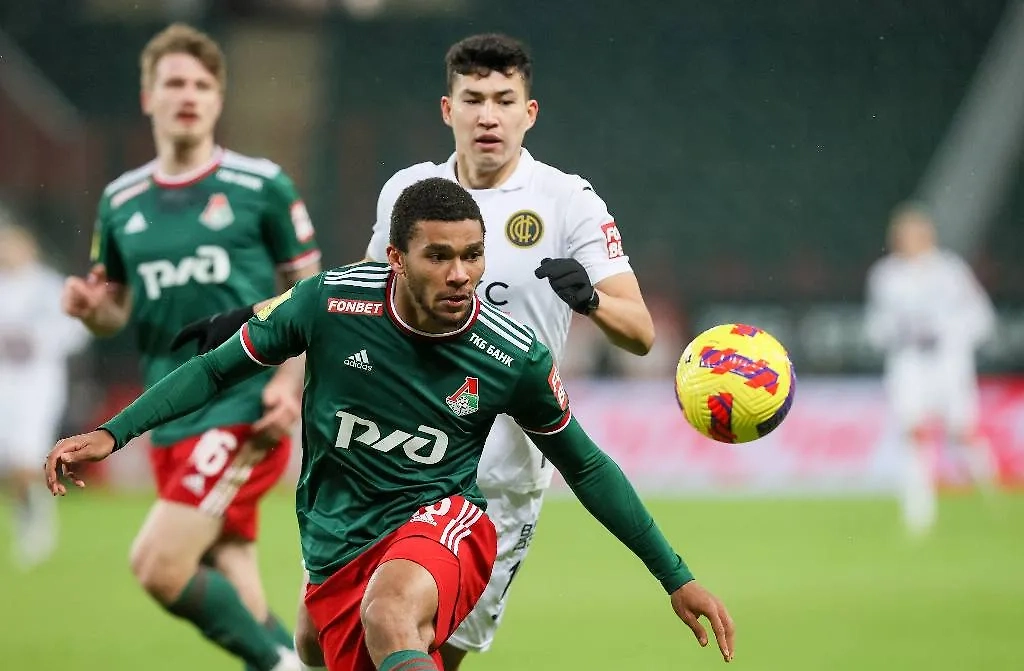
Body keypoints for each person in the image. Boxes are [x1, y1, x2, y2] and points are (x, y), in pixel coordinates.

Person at [46, 177, 736, 671]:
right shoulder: (330, 305)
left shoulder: (511, 355)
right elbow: (215, 369)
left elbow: (585, 464)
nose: (461, 274)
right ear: (397, 259)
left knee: (389, 613)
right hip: (339, 537)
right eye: (440, 256)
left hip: (445, 520)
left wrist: (675, 576)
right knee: (315, 647)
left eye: (473, 254)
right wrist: (113, 432)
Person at [59, 23, 320, 671]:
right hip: (170, 410)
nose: (188, 95)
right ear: (148, 97)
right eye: (174, 83)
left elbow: (308, 295)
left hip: (242, 403)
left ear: (218, 100)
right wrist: (93, 311)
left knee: (159, 563)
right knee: (229, 568)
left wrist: (286, 385)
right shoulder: (120, 201)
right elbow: (116, 309)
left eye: (202, 85)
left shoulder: (261, 185)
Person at [864, 203, 997, 535]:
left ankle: (993, 496)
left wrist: (955, 336)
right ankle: (918, 515)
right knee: (913, 434)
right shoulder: (886, 275)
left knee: (962, 432)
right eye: (902, 234)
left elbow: (980, 316)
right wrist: (891, 334)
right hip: (908, 362)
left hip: (949, 361)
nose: (907, 240)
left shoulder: (950, 271)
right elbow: (877, 324)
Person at [0, 217, 88, 569]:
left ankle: (38, 521)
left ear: (30, 247)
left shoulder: (50, 287)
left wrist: (39, 342)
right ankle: (27, 513)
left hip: (38, 384)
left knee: (27, 456)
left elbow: (77, 330)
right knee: (11, 463)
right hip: (5, 383)